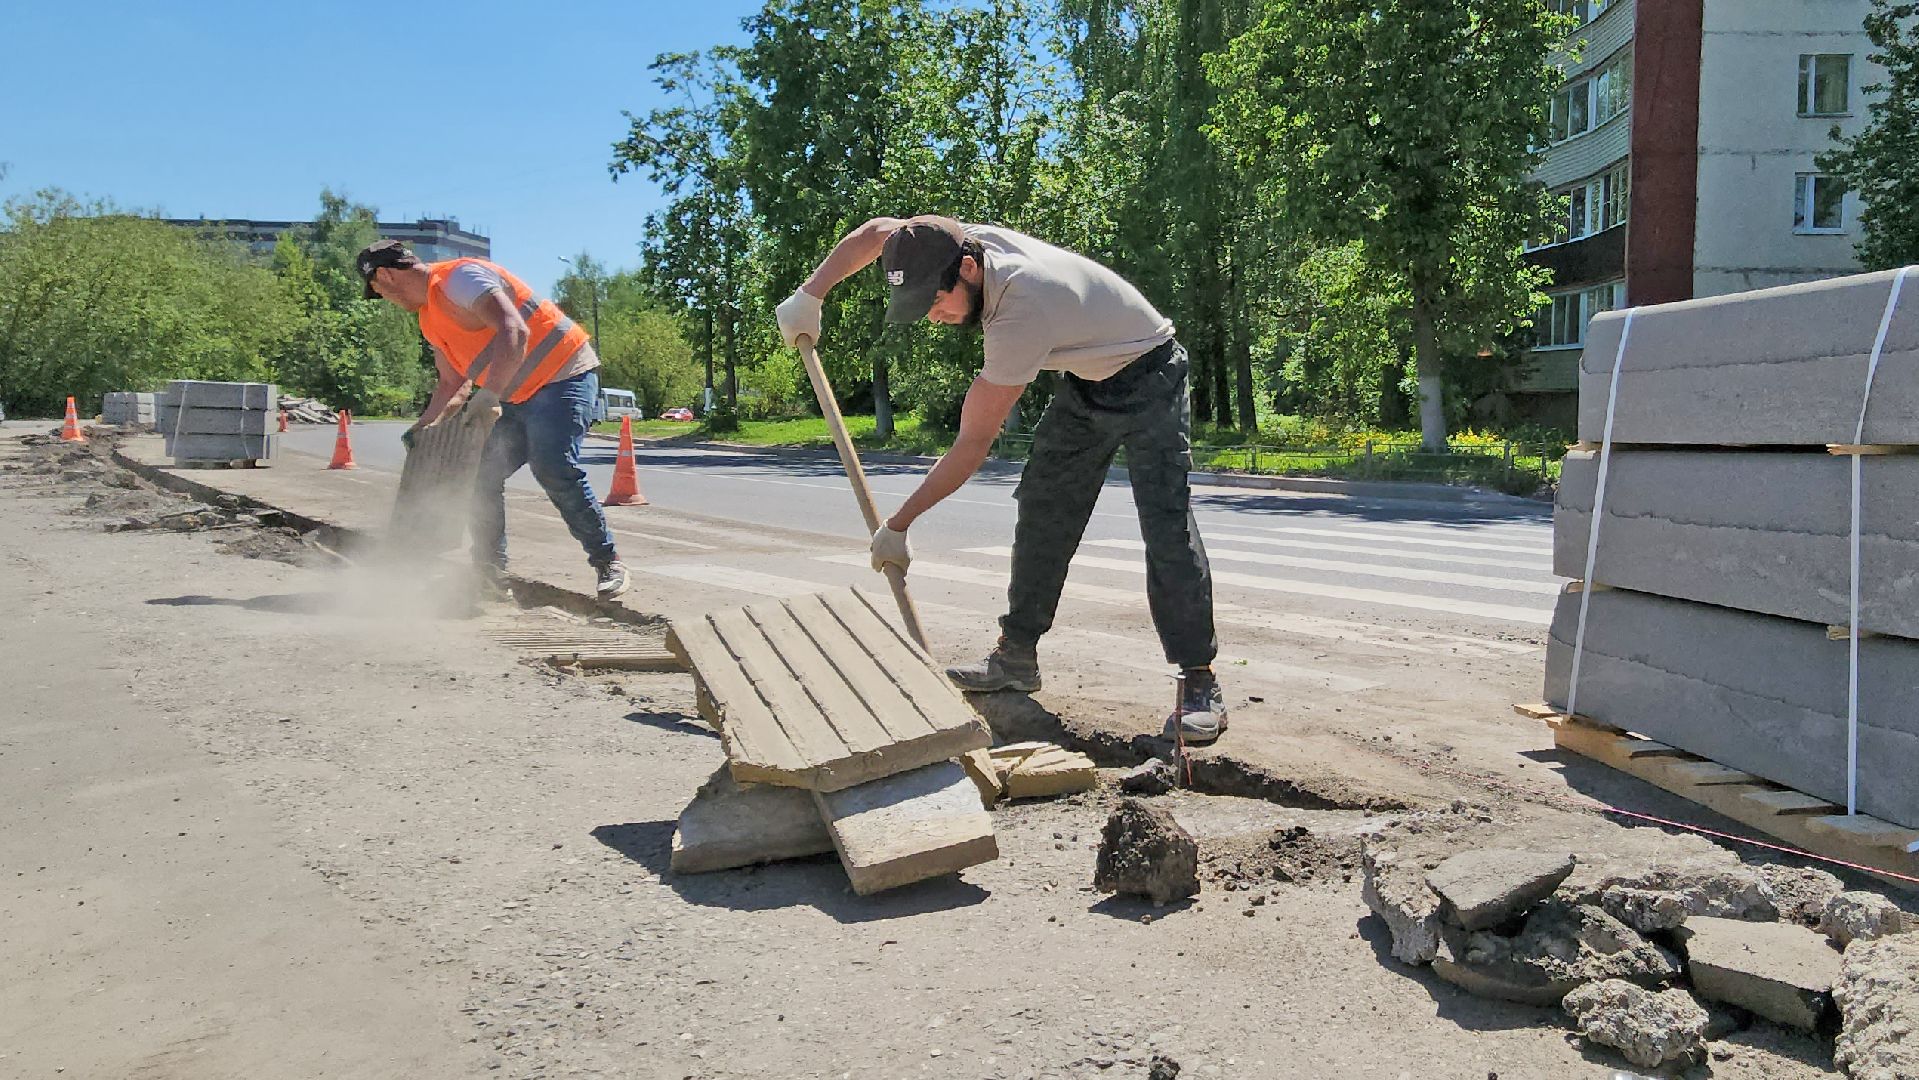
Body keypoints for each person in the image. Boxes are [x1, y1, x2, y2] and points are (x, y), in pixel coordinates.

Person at [775, 217, 1226, 743]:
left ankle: (1199, 679)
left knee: (1165, 522)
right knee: (1043, 508)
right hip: (1087, 380)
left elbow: (971, 445)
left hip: (1152, 372)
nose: (935, 317)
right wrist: (812, 293)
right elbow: (878, 232)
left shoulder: (1021, 310)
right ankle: (1016, 658)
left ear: (968, 270)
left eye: (937, 302)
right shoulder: (942, 241)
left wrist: (898, 524)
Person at [357, 240, 629, 599]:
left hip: (563, 376)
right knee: (480, 475)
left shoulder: (460, 280)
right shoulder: (429, 319)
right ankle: (489, 575)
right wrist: (423, 427)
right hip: (514, 394)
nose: (386, 300)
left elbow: (514, 330)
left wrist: (489, 394)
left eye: (378, 291)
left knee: (551, 465)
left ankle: (608, 561)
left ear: (386, 275)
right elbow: (452, 384)